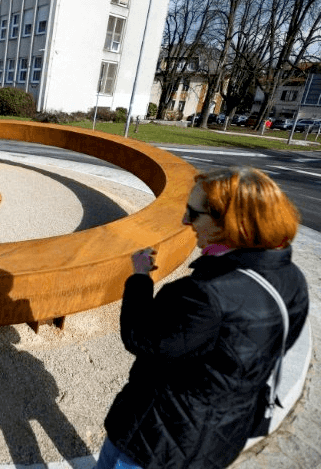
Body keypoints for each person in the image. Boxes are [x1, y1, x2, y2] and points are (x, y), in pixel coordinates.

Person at [97, 167, 309, 469]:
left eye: (194, 213)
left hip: (156, 441)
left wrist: (140, 278)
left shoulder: (203, 294)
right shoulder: (292, 279)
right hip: (220, 438)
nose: (185, 221)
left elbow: (142, 338)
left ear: (231, 224)